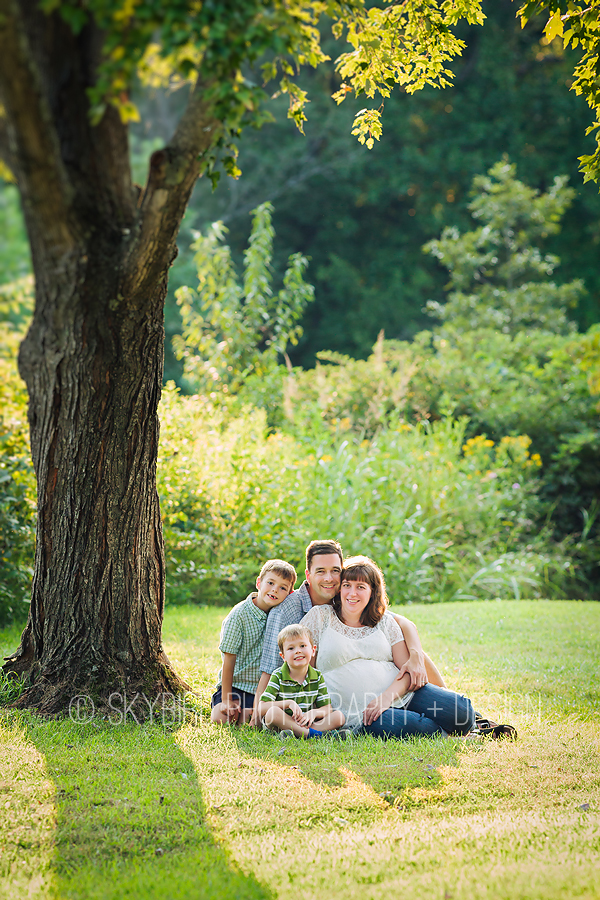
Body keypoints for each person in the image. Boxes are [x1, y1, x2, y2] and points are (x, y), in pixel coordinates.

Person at [300, 555, 475, 738]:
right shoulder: (320, 617)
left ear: (372, 591)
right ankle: (443, 733)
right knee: (416, 726)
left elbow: (406, 669)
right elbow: (303, 667)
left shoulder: (384, 622)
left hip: (401, 694)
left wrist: (385, 698)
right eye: (347, 585)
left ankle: (459, 727)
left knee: (462, 712)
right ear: (340, 589)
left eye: (360, 587)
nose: (352, 593)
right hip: (361, 710)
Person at [255, 539, 445, 705]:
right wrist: (260, 710)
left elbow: (400, 622)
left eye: (335, 571)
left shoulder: (344, 596)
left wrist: (416, 657)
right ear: (308, 575)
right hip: (305, 692)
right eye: (320, 571)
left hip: (377, 687)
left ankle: (446, 697)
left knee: (412, 651)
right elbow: (269, 667)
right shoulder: (288, 609)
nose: (329, 578)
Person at [211, 558, 296, 726]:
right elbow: (228, 659)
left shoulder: (280, 616)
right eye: (270, 583)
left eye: (282, 588)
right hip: (235, 685)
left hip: (263, 691)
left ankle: (253, 716)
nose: (274, 590)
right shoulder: (239, 615)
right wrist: (227, 698)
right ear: (259, 582)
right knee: (220, 718)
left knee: (263, 717)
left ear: (289, 594)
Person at [258, 624, 345, 738]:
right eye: (291, 648)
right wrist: (288, 703)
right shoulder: (278, 675)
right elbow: (262, 708)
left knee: (339, 717)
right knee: (272, 714)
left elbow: (327, 708)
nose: (298, 651)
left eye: (302, 646)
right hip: (283, 723)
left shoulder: (317, 676)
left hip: (306, 722)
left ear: (313, 650)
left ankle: (300, 734)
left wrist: (314, 713)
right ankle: (316, 735)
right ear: (283, 656)